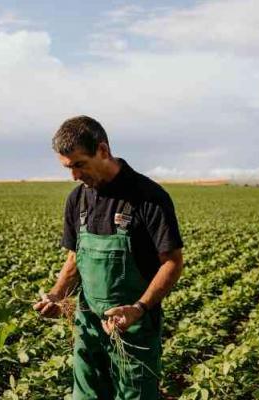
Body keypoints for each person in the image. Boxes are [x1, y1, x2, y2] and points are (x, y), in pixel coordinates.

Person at [33, 115, 184, 399]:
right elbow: (74, 259)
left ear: (103, 151)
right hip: (89, 329)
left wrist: (138, 308)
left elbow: (173, 262)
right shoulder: (77, 199)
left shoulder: (148, 197)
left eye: (80, 165)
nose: (75, 176)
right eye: (68, 168)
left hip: (133, 330)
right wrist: (56, 295)